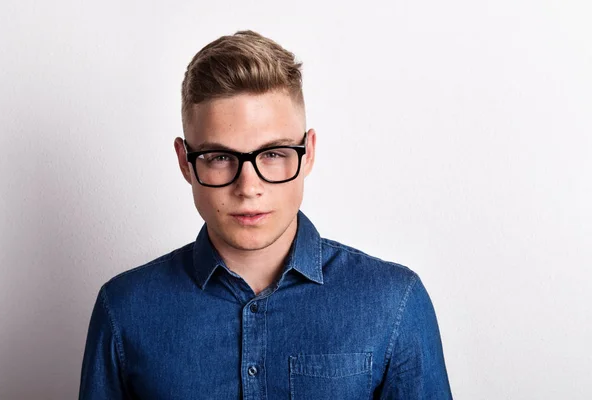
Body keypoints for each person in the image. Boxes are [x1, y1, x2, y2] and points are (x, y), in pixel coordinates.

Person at [79, 30, 453, 399]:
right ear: (185, 161)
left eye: (272, 154)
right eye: (220, 157)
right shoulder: (125, 309)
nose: (248, 187)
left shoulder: (394, 302)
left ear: (307, 153)